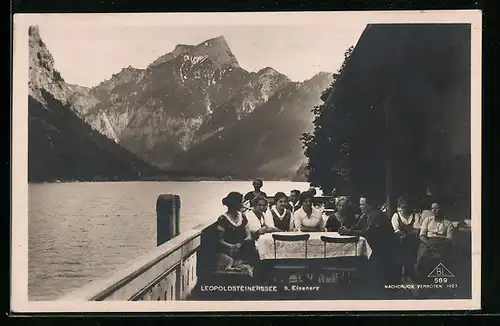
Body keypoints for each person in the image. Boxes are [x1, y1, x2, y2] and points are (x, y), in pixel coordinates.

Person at [339, 195, 399, 287]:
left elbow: (368, 233)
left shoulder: (377, 216)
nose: (360, 207)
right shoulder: (365, 216)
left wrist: (349, 231)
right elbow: (357, 227)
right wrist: (346, 229)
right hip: (374, 248)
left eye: (362, 205)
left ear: (370, 206)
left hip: (384, 251)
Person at [215, 192, 256, 277]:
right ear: (235, 204)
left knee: (251, 248)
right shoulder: (223, 219)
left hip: (241, 247)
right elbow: (219, 240)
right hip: (227, 249)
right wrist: (231, 246)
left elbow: (248, 236)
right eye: (241, 202)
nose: (242, 204)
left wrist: (241, 243)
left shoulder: (243, 217)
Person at [415, 199, 455, 281]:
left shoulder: (448, 223)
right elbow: (422, 235)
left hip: (443, 244)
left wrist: (438, 244)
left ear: (441, 209)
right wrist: (429, 244)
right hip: (427, 242)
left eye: (436, 208)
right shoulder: (427, 220)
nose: (434, 210)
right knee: (422, 256)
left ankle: (440, 280)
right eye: (432, 208)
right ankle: (423, 280)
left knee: (443, 258)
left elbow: (449, 238)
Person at [391, 196, 421, 277]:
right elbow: (396, 230)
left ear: (410, 205)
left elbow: (417, 230)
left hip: (412, 243)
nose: (404, 206)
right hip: (400, 243)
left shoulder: (416, 216)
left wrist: (405, 233)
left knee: (411, 245)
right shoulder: (396, 216)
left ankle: (410, 273)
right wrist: (409, 231)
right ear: (400, 205)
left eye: (406, 204)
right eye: (402, 204)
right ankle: (402, 275)